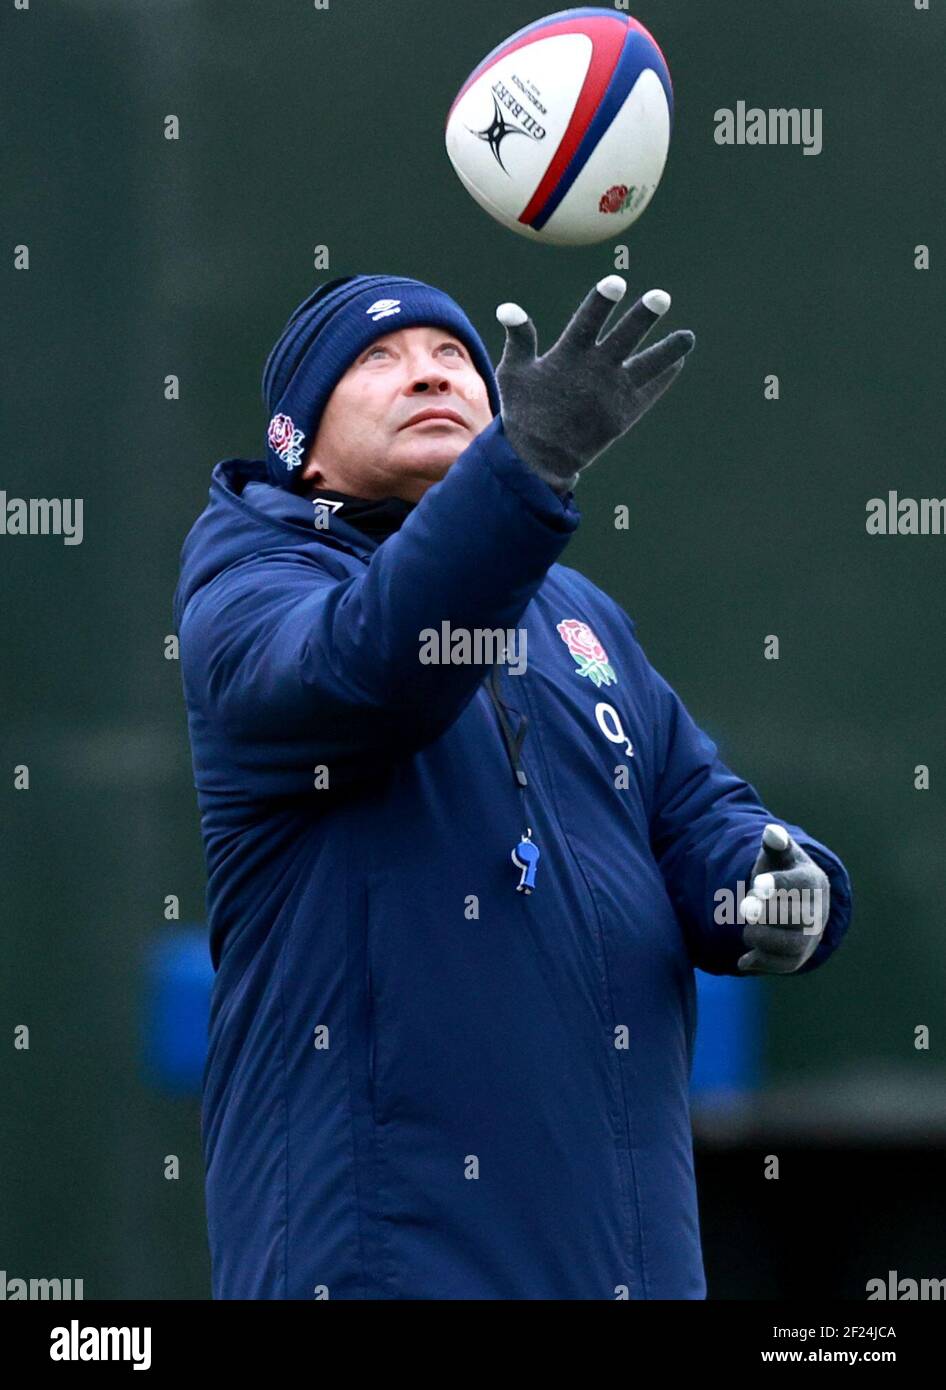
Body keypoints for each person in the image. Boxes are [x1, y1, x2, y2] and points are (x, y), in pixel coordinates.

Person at [173, 272, 853, 1300]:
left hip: (621, 1263)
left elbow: (701, 817)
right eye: (377, 361)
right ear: (299, 446)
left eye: (453, 357)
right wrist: (526, 470)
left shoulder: (573, 610)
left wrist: (783, 893)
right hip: (386, 1262)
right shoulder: (251, 585)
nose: (428, 375)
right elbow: (367, 670)